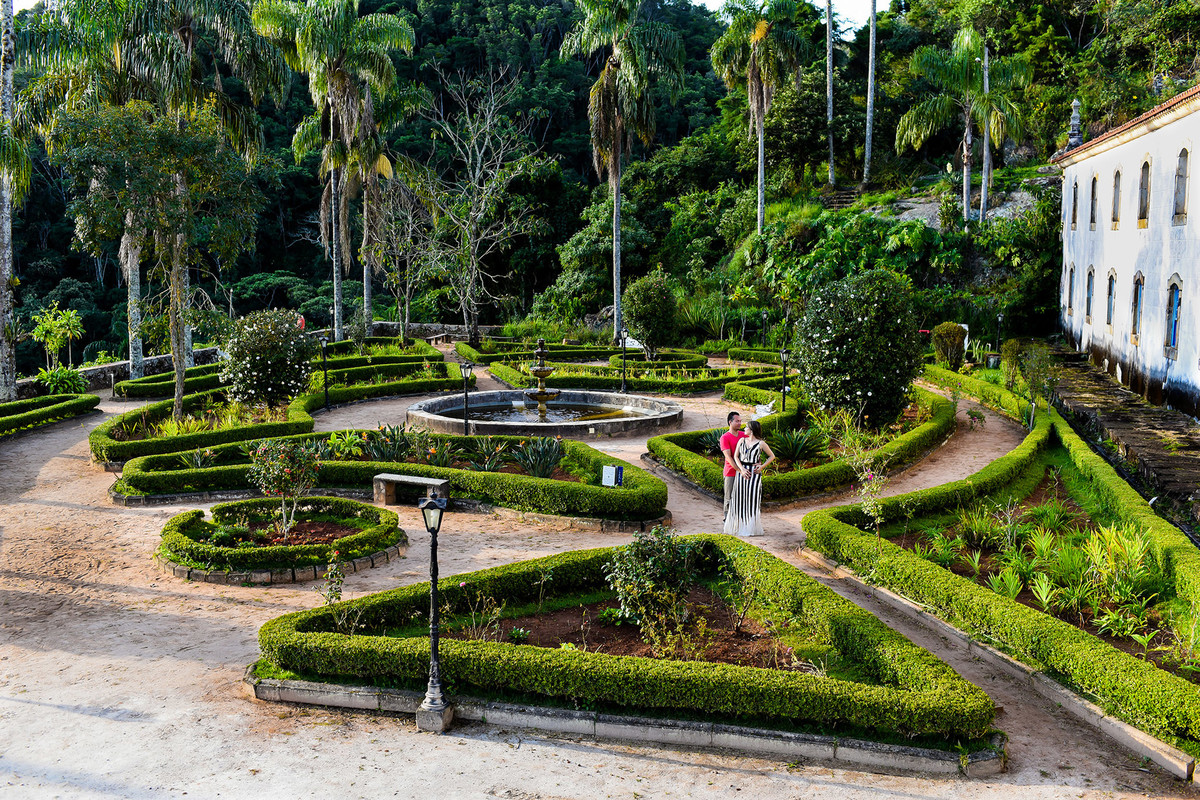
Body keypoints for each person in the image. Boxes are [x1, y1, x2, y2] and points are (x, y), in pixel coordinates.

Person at [723, 419, 775, 537]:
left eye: (746, 427)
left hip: (754, 474)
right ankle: (738, 526)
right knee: (738, 499)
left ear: (751, 430)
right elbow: (736, 456)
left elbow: (772, 456)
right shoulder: (742, 440)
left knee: (752, 500)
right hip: (742, 473)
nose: (744, 429)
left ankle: (750, 527)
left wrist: (761, 467)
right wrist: (741, 469)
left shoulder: (761, 443)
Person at [720, 411, 747, 522]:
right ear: (730, 422)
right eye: (737, 421)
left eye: (740, 421)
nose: (740, 423)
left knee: (742, 497)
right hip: (731, 472)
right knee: (729, 497)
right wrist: (739, 470)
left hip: (744, 470)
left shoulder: (743, 435)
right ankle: (727, 519)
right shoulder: (724, 437)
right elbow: (728, 457)